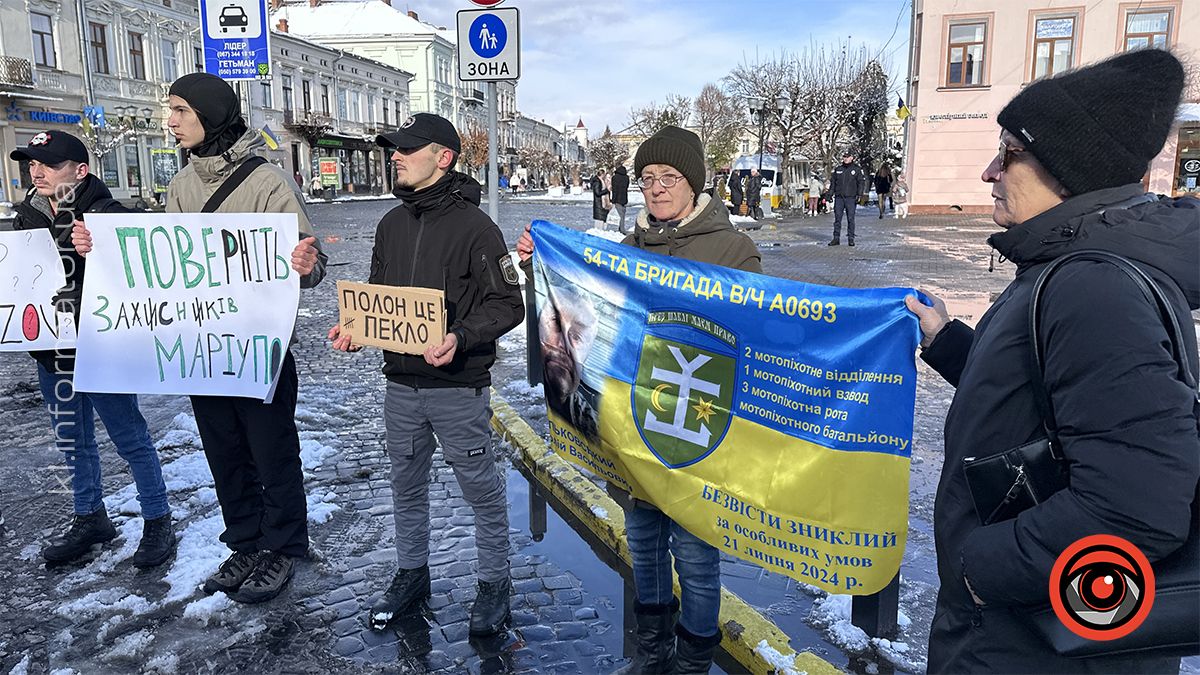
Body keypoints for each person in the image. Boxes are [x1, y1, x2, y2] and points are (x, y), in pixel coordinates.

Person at [904, 49, 1198, 673]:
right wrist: (947, 340)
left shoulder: (1093, 289)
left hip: (1034, 641)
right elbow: (1045, 400)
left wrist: (980, 571)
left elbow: (1135, 508)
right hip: (1022, 628)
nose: (989, 171)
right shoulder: (1066, 267)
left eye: (1009, 153)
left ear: (1067, 171)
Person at [75, 73, 328, 603]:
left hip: (258, 350)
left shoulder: (267, 182)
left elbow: (311, 261)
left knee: (272, 451)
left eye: (180, 111)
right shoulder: (181, 185)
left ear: (210, 115)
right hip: (203, 349)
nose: (170, 121)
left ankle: (283, 547)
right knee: (224, 451)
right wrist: (101, 247)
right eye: (170, 110)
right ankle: (246, 543)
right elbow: (162, 260)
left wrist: (306, 263)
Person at [518, 126, 760, 674]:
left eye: (669, 177)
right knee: (644, 543)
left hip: (699, 427)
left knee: (695, 556)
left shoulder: (733, 250)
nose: (656, 187)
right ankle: (654, 653)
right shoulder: (629, 252)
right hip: (639, 424)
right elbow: (582, 301)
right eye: (647, 177)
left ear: (694, 183)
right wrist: (539, 262)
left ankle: (693, 664)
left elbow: (757, 334)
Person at [329, 113, 524, 636]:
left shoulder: (477, 228)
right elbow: (377, 296)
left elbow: (509, 305)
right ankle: (412, 574)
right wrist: (355, 328)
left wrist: (460, 336)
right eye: (394, 147)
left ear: (443, 157)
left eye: (407, 148)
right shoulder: (391, 224)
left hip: (457, 387)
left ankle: (494, 584)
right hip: (400, 385)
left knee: (481, 491)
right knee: (406, 486)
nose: (394, 156)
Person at [12, 131, 174, 568]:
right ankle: (90, 517)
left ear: (80, 171)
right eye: (32, 163)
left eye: (50, 164)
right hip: (53, 351)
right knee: (72, 440)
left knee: (129, 438)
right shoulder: (27, 214)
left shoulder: (108, 215)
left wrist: (102, 250)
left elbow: (146, 272)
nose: (37, 171)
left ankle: (157, 518)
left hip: (103, 346)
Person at [539, 284, 600, 441]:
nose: (563, 344)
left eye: (576, 336)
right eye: (557, 325)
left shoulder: (594, 432)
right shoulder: (527, 400)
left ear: (588, 352)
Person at [828, 150, 865, 246]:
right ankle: (836, 238)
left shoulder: (856, 169)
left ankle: (851, 238)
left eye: (847, 157)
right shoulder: (838, 169)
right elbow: (833, 183)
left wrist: (859, 194)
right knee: (837, 219)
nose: (845, 158)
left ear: (852, 158)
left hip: (851, 198)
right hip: (839, 198)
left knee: (850, 219)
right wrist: (830, 194)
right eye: (844, 157)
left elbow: (861, 182)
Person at [611, 164, 630, 234]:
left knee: (619, 215)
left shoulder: (615, 177)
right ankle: (621, 227)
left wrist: (613, 200)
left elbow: (614, 189)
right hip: (624, 197)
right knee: (623, 214)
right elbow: (626, 187)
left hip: (617, 198)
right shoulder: (627, 177)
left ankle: (621, 229)